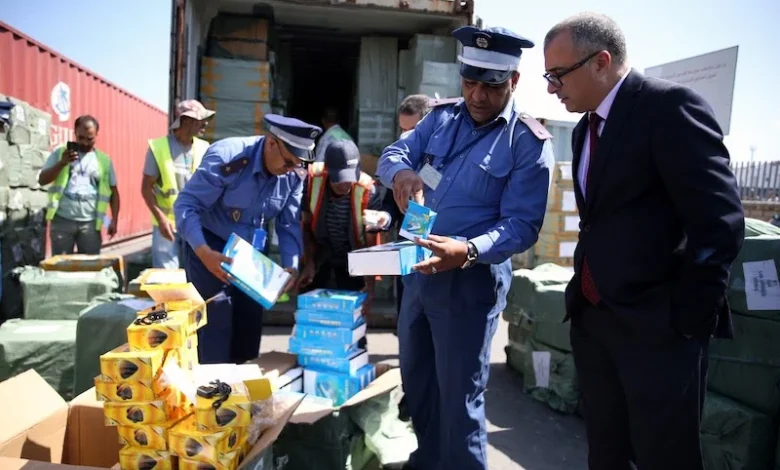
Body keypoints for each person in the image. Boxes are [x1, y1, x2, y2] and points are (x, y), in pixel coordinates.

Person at [542, 13, 745, 470]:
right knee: (606, 453)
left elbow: (720, 221)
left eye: (558, 75)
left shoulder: (668, 108)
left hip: (659, 328)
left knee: (664, 456)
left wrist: (686, 321)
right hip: (596, 322)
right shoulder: (583, 130)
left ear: (601, 62)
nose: (552, 88)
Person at [376, 26, 554, 470]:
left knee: (459, 399)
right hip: (418, 276)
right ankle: (428, 460)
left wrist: (469, 250)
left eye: (490, 86)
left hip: (468, 286)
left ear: (513, 81)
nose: (477, 96)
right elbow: (393, 154)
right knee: (418, 386)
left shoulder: (527, 144)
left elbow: (521, 225)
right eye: (469, 82)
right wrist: (401, 175)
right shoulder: (440, 118)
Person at [174, 114, 322, 365]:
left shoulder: (294, 172)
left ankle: (240, 394)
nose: (290, 170)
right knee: (214, 325)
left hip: (251, 255)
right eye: (287, 162)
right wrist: (203, 252)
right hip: (212, 248)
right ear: (271, 142)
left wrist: (291, 265)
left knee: (248, 327)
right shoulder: (228, 157)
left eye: (296, 164)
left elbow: (288, 223)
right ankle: (213, 393)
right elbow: (186, 206)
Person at [298, 140, 392, 319]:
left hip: (355, 257)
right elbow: (305, 224)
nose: (345, 185)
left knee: (353, 318)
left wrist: (370, 287)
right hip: (320, 252)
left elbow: (372, 244)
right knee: (315, 315)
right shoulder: (311, 180)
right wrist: (309, 262)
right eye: (339, 179)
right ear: (327, 170)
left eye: (350, 178)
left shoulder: (368, 190)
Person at [142, 99, 215, 269]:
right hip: (166, 225)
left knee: (196, 275)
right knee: (166, 278)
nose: (205, 124)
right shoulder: (158, 147)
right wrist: (160, 219)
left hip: (196, 223)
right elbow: (146, 188)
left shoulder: (205, 148)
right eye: (201, 120)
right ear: (186, 121)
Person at [39, 115, 119, 255]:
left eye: (90, 139)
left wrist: (114, 220)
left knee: (90, 268)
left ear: (96, 135)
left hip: (90, 224)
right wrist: (62, 163)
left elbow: (114, 193)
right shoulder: (60, 153)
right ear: (74, 132)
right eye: (81, 138)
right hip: (62, 221)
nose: (85, 143)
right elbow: (42, 180)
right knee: (61, 268)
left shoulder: (104, 160)